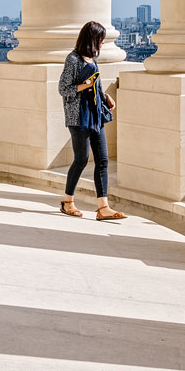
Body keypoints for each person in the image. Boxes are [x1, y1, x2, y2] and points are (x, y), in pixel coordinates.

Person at [56, 21, 126, 221]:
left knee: (102, 160)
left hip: (95, 115)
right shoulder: (73, 59)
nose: (103, 44)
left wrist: (105, 96)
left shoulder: (92, 58)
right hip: (78, 117)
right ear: (93, 39)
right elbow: (63, 89)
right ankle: (67, 201)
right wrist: (83, 86)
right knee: (81, 159)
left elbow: (95, 83)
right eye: (101, 39)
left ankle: (103, 207)